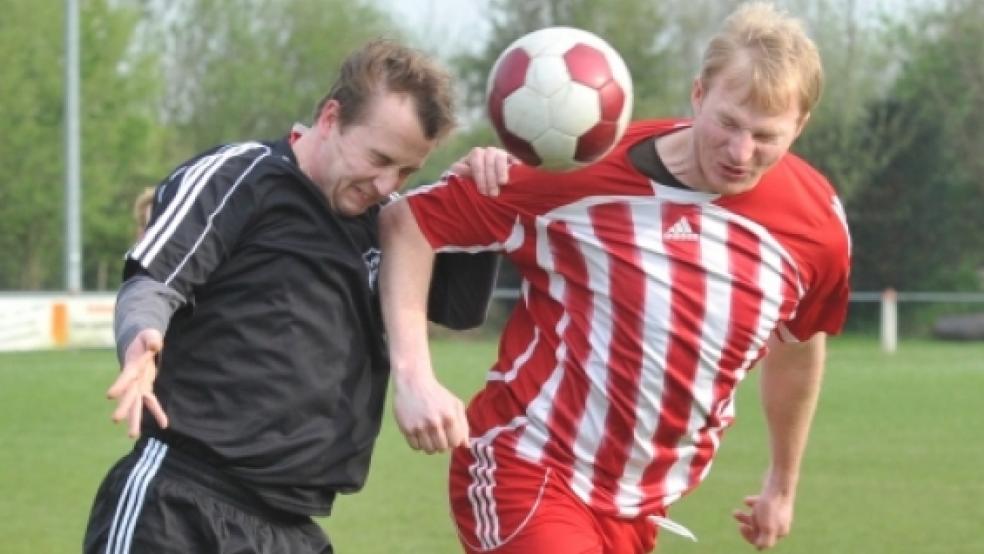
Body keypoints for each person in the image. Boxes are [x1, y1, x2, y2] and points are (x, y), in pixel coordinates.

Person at [379, 3, 851, 553]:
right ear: (699, 95)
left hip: (639, 509)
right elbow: (408, 222)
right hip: (527, 469)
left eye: (766, 135)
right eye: (727, 123)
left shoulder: (816, 227)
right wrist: (413, 377)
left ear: (801, 125)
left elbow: (797, 345)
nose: (740, 152)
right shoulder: (575, 168)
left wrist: (782, 484)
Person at [84, 39, 504, 554]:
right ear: (331, 117)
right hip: (179, 504)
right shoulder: (243, 176)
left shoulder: (389, 225)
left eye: (406, 171)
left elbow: (458, 310)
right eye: (378, 158)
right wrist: (140, 340)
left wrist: (478, 207)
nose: (385, 182)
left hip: (289, 529)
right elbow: (153, 281)